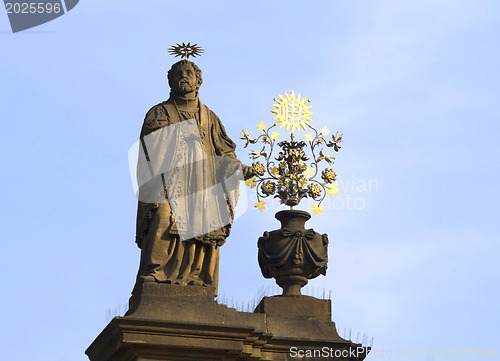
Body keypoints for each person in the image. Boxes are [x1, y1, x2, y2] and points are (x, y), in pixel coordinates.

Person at [134, 59, 253, 294]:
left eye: (189, 72)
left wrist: (237, 168)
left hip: (202, 185)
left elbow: (223, 153)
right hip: (169, 184)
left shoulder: (209, 117)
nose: (184, 76)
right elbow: (150, 147)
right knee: (163, 214)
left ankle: (196, 277)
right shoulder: (160, 112)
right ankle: (155, 274)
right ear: (170, 80)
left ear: (199, 80)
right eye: (178, 73)